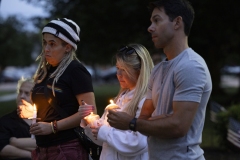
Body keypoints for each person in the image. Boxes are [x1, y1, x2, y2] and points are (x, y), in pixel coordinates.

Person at [107, 0, 212, 159]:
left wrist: (131, 123)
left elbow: (178, 127)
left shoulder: (191, 66)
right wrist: (163, 120)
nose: (150, 28)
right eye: (151, 22)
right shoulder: (157, 70)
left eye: (157, 20)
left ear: (177, 22)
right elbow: (145, 116)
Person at [18, 18, 96, 160]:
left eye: (52, 44)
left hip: (66, 149)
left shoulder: (76, 70)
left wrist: (53, 127)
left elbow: (89, 111)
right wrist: (30, 110)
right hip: (42, 149)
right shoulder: (47, 71)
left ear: (67, 46)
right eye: (45, 43)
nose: (46, 48)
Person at [84, 44, 154, 160]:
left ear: (139, 72)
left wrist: (104, 132)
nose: (118, 74)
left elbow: (138, 142)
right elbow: (102, 140)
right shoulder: (120, 98)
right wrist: (90, 121)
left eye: (124, 70)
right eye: (117, 68)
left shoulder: (145, 101)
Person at [0, 77, 36, 160]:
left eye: (27, 93)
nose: (21, 96)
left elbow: (52, 146)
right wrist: (34, 156)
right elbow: (3, 148)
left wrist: (15, 142)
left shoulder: (46, 119)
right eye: (20, 92)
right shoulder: (6, 121)